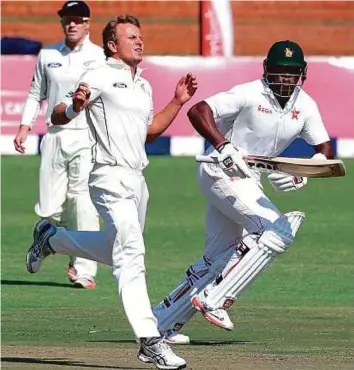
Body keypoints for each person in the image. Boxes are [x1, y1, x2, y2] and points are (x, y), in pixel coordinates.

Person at [26, 14, 197, 370]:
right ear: (111, 45)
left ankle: (52, 239)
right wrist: (74, 105)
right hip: (107, 177)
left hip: (138, 181)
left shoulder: (144, 86)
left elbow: (149, 131)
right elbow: (60, 115)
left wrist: (178, 101)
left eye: (140, 35)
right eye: (130, 36)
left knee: (115, 248)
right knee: (131, 253)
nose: (139, 40)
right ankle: (150, 339)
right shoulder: (99, 74)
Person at [152, 40, 334, 338]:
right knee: (276, 230)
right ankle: (217, 299)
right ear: (267, 70)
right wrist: (223, 145)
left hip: (250, 179)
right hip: (221, 169)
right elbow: (199, 110)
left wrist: (304, 173)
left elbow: (324, 149)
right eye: (279, 71)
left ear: (302, 73)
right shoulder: (249, 93)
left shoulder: (305, 104)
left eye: (292, 73)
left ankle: (162, 320)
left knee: (217, 257)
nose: (285, 79)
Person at [14, 1, 105, 289]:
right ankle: (46, 236)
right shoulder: (48, 54)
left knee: (82, 200)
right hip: (54, 135)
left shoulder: (100, 56)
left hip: (86, 135)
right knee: (51, 207)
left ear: (88, 23)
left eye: (77, 19)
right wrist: (24, 126)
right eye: (67, 19)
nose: (72, 24)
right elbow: (34, 93)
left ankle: (84, 268)